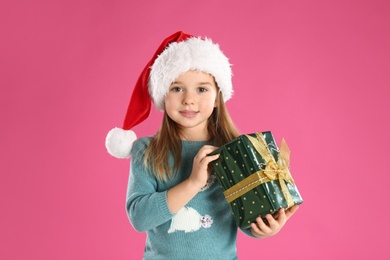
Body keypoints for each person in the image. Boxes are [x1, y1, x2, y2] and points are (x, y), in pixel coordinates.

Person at [105, 31, 299, 259]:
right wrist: (194, 182)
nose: (189, 99)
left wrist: (266, 227)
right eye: (177, 88)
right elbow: (139, 218)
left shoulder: (237, 151)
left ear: (217, 95)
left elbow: (246, 216)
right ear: (163, 95)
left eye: (202, 89)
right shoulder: (147, 151)